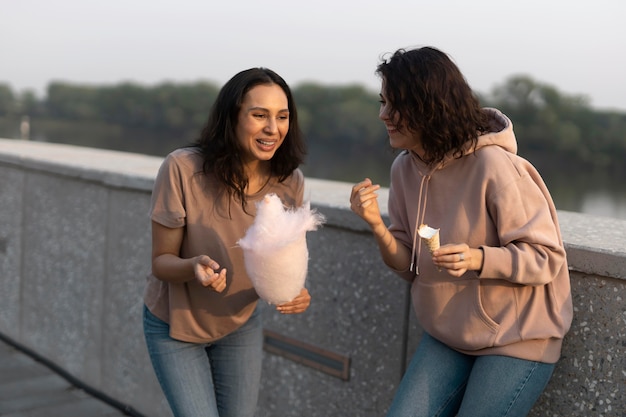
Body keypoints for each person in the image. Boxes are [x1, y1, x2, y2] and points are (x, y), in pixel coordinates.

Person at [350, 46, 573, 417]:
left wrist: (477, 258)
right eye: (382, 102)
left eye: (395, 105)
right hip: (448, 336)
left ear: (428, 106)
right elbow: (408, 265)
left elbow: (546, 258)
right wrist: (376, 224)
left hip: (517, 338)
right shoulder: (404, 170)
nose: (383, 115)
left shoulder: (496, 166)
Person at [142, 67, 312, 417]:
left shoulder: (289, 181)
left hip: (240, 323)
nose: (273, 128)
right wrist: (192, 267)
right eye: (259, 115)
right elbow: (161, 261)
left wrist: (295, 291)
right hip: (175, 323)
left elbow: (280, 262)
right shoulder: (182, 168)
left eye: (282, 117)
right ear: (231, 117)